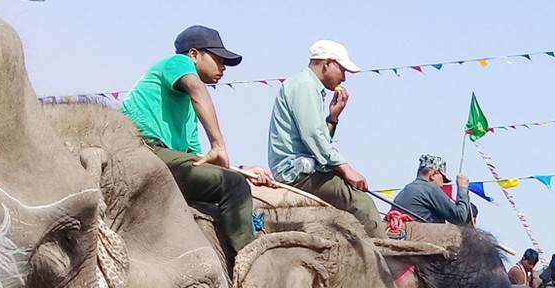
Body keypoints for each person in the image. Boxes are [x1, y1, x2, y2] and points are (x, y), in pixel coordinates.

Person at [121, 25, 273, 254]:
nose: (223, 67)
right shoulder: (177, 63)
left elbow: (198, 161)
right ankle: (249, 258)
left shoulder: (190, 111)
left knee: (233, 179)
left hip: (166, 158)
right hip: (143, 151)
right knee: (232, 186)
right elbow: (196, 87)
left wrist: (243, 170)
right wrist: (219, 145)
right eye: (218, 59)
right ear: (194, 54)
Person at [268, 40, 384, 237]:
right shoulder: (305, 86)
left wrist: (333, 118)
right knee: (361, 202)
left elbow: (318, 139)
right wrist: (347, 169)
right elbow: (313, 136)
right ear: (327, 63)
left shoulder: (309, 87)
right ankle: (389, 258)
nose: (344, 78)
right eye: (343, 70)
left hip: (308, 166)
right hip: (296, 171)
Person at [391, 155, 471, 225]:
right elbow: (460, 217)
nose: (443, 184)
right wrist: (462, 188)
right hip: (421, 239)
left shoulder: (404, 191)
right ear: (433, 174)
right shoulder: (429, 188)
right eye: (443, 178)